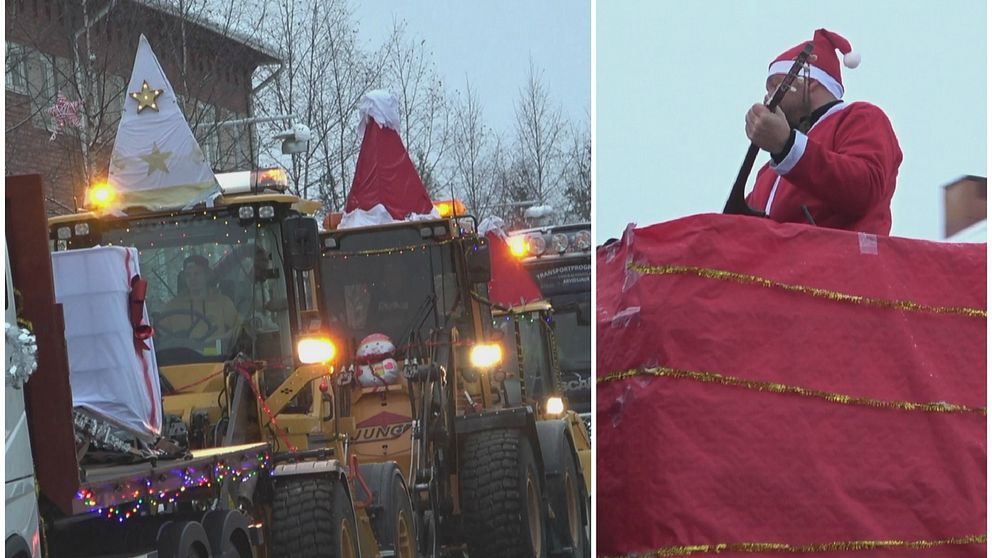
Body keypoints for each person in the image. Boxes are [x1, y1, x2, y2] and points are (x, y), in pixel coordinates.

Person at [744, 29, 903, 235]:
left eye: (775, 86)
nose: (767, 98)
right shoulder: (769, 172)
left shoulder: (861, 117)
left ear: (811, 81)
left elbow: (863, 189)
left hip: (842, 263)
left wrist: (787, 147)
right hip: (782, 266)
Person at [160, 254, 240, 353]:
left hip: (215, 357)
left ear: (207, 275)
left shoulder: (222, 302)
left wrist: (218, 339)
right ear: (184, 279)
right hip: (180, 359)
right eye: (188, 275)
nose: (192, 278)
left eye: (197, 273)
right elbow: (160, 335)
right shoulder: (172, 306)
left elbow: (238, 329)